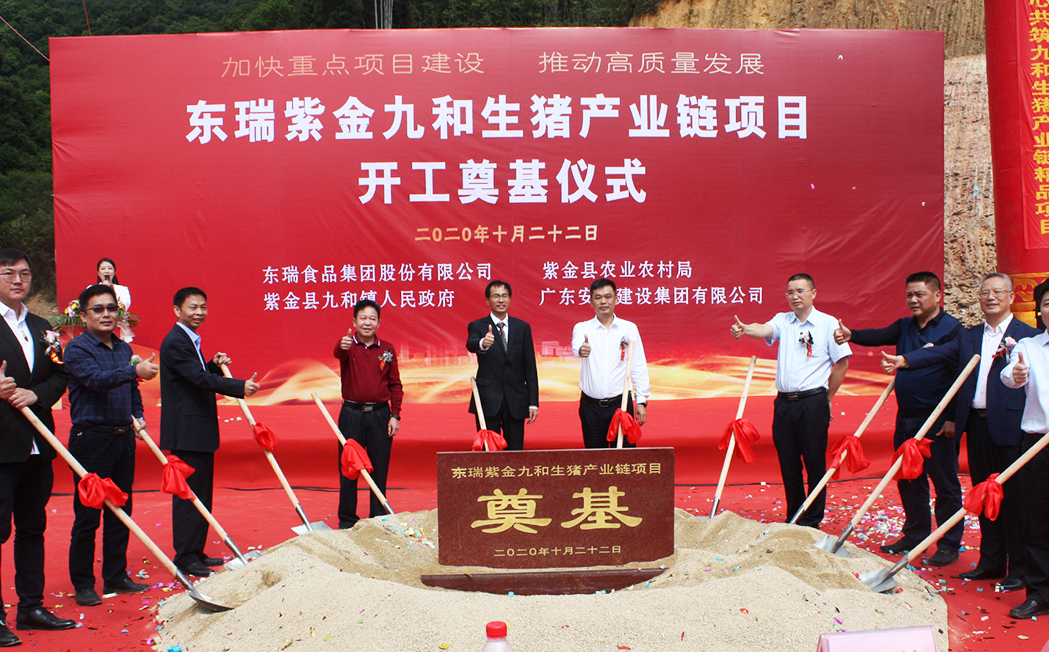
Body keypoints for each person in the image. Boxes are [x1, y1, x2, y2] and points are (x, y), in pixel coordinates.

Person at [883, 273, 1039, 589]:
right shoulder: (969, 336)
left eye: (997, 292)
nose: (991, 297)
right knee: (983, 495)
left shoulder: (1028, 336)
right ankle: (991, 562)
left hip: (1012, 427)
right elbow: (938, 353)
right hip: (977, 427)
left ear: (1011, 297)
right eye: (985, 293)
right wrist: (905, 360)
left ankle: (1020, 569)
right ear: (978, 298)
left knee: (1014, 500)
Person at [833, 271, 963, 566]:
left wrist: (952, 417)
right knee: (908, 478)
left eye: (919, 294)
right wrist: (852, 335)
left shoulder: (953, 330)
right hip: (907, 417)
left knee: (944, 483)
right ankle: (915, 534)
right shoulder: (905, 326)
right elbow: (878, 335)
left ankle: (948, 543)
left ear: (937, 296)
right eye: (909, 295)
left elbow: (960, 375)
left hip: (938, 420)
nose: (913, 300)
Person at [63, 284, 159, 608]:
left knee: (121, 510)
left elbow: (132, 389)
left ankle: (116, 575)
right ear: (83, 315)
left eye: (111, 309)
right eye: (98, 309)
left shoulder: (122, 348)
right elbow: (96, 380)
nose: (106, 314)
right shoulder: (76, 349)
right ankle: (83, 583)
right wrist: (133, 370)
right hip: (91, 441)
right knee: (88, 515)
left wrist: (139, 415)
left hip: (123, 438)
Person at [731, 273, 850, 528]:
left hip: (813, 402)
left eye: (800, 291)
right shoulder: (783, 320)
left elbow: (842, 362)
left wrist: (828, 397)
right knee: (788, 462)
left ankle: (812, 519)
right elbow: (764, 329)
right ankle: (794, 516)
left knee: (814, 462)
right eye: (790, 292)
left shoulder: (828, 324)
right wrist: (745, 329)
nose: (795, 296)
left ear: (813, 293)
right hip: (784, 404)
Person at [0, 248, 74, 641]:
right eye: (8, 273)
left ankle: (31, 607)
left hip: (38, 445)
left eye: (25, 273)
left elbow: (61, 375)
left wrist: (36, 395)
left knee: (32, 528)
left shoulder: (44, 327)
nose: (18, 280)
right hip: (1, 448)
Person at [160, 287, 259, 578]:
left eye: (203, 307)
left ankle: (195, 550)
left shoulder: (188, 339)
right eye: (193, 307)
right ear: (177, 310)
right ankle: (185, 556)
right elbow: (197, 379)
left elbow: (198, 373)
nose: (199, 312)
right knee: (189, 494)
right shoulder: (176, 341)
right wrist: (239, 387)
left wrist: (213, 365)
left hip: (197, 430)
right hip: (186, 432)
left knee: (201, 493)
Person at [1001, 278, 1049, 619]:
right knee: (1038, 521)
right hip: (1038, 447)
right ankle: (1040, 593)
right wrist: (1017, 374)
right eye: (1047, 303)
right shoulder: (1029, 346)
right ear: (1039, 311)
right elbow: (1009, 375)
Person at [333, 299, 402, 528]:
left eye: (372, 318)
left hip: (380, 415)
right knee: (349, 467)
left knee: (379, 468)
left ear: (378, 323)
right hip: (351, 414)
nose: (367, 322)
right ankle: (347, 520)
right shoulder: (347, 346)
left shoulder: (387, 349)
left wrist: (395, 415)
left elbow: (395, 385)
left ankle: (378, 518)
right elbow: (338, 351)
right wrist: (341, 345)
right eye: (363, 318)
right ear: (354, 322)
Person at [571, 279, 650, 449]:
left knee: (624, 457)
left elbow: (638, 365)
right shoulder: (583, 328)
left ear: (616, 299)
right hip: (591, 407)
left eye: (608, 297)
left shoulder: (629, 328)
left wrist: (641, 401)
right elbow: (577, 345)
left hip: (621, 405)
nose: (603, 301)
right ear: (591, 301)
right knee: (595, 457)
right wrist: (581, 349)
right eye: (598, 297)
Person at [465, 280, 539, 451]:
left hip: (516, 398)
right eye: (496, 296)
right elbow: (471, 343)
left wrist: (533, 403)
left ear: (510, 299)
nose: (500, 300)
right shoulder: (478, 326)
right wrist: (483, 343)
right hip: (488, 399)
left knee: (515, 451)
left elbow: (530, 367)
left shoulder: (522, 327)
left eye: (504, 296)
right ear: (487, 300)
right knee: (490, 451)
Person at [95, 258, 133, 343]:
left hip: (117, 329)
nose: (106, 271)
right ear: (98, 273)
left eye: (110, 268)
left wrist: (110, 289)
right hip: (96, 327)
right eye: (103, 268)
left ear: (114, 272)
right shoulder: (91, 289)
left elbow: (123, 306)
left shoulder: (123, 290)